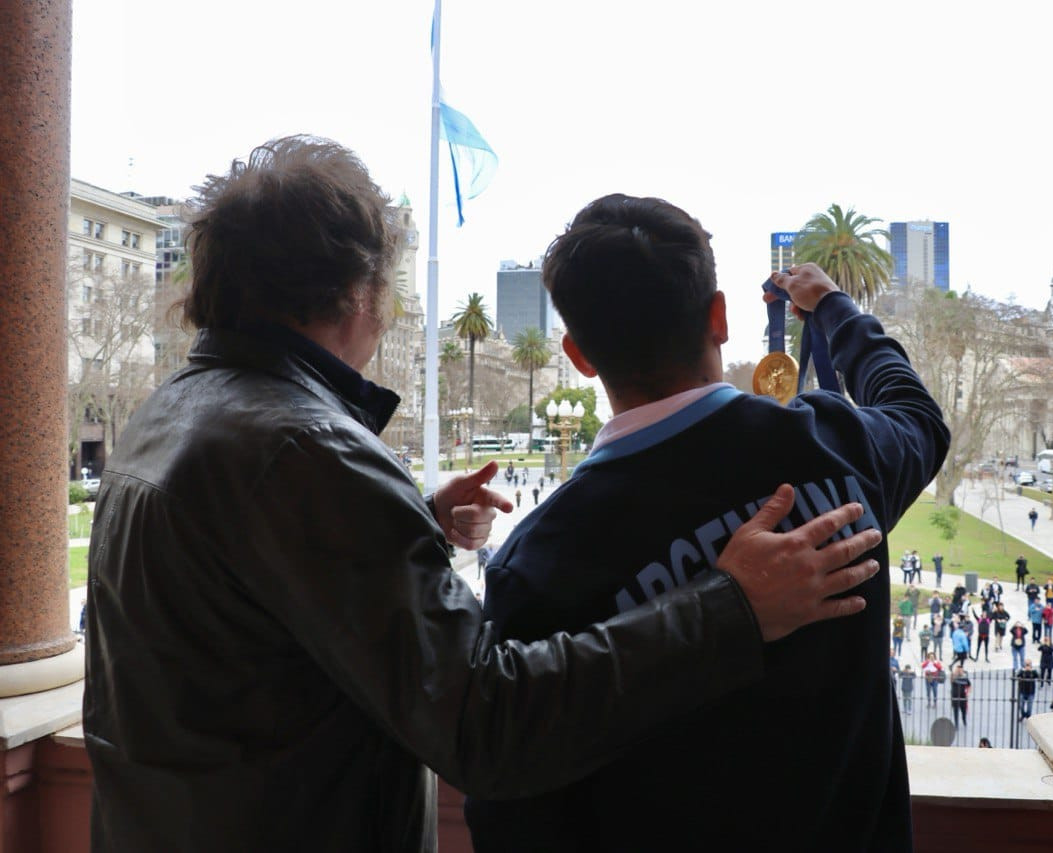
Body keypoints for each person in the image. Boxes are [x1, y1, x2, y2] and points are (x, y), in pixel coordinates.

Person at [81, 142, 886, 852]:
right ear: (359, 293)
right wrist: (731, 606)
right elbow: (486, 722)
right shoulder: (301, 450)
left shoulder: (171, 414)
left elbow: (247, 626)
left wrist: (405, 525)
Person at [465, 199, 948, 851]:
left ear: (579, 355)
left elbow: (509, 806)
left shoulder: (537, 560)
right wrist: (834, 309)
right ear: (718, 316)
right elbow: (916, 413)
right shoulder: (836, 444)